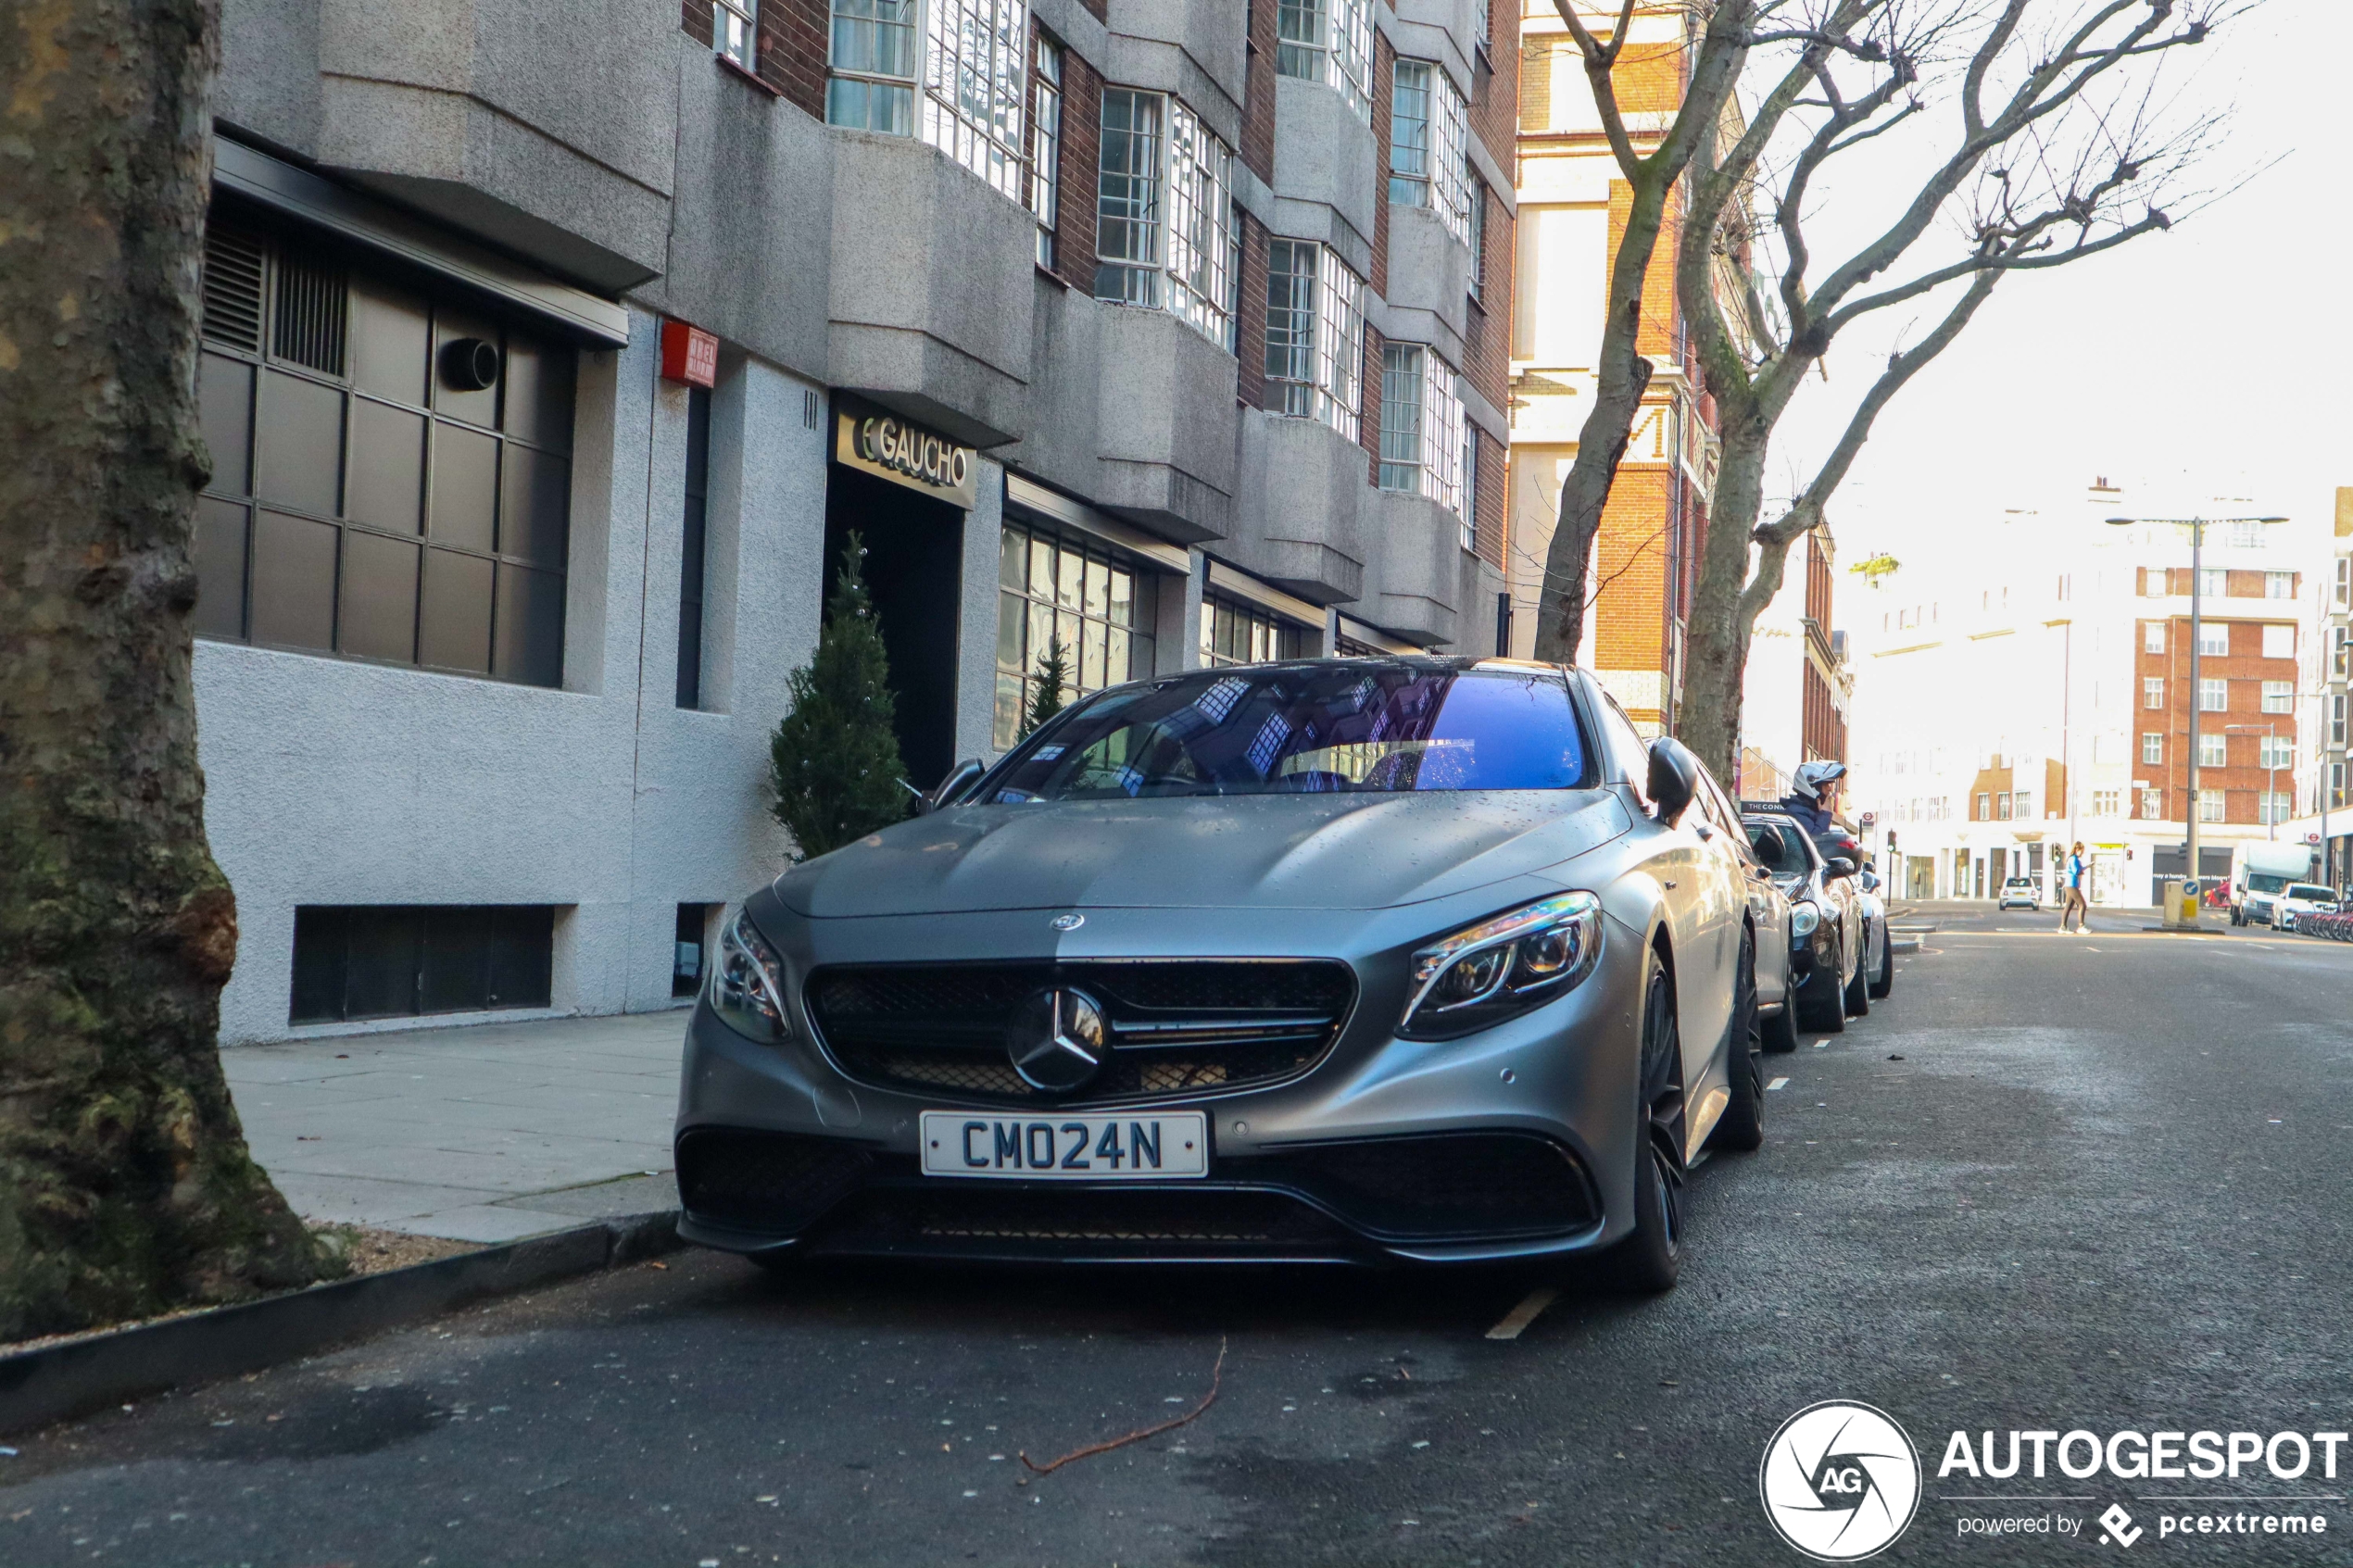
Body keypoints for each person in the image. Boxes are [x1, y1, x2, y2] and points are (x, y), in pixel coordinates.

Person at [1778, 759, 1846, 835]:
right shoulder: (1796, 812)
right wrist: (1825, 813)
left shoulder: (1810, 810)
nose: (1829, 789)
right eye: (1826, 784)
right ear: (1813, 785)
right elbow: (1817, 839)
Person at [2057, 841, 2090, 933]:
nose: (2082, 853)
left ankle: (2063, 927)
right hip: (2072, 885)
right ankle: (2081, 926)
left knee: (2068, 906)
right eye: (2082, 851)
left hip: (2069, 884)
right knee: (2082, 904)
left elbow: (2076, 869)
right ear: (2077, 849)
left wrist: (2086, 867)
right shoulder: (2074, 858)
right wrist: (2082, 870)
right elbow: (2076, 871)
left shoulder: (2071, 858)